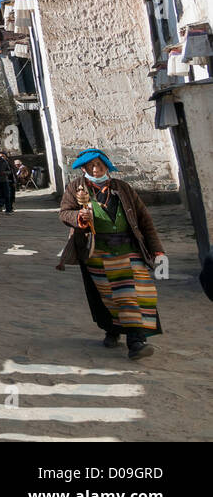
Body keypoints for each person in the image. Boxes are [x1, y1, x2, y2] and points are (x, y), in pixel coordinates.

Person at [56, 148, 167, 360]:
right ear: (84, 168)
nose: (96, 170)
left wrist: (156, 249)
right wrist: (79, 216)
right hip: (97, 252)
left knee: (135, 294)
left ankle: (136, 341)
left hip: (129, 251)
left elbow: (144, 220)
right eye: (91, 166)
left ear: (107, 166)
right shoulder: (75, 188)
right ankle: (113, 330)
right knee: (107, 296)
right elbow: (64, 212)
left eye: (99, 165)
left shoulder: (123, 188)